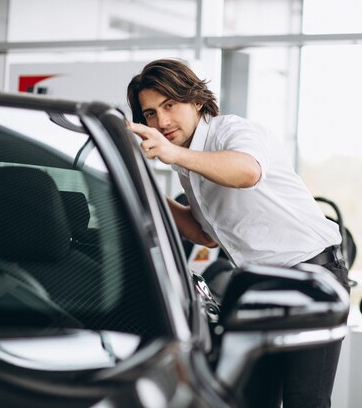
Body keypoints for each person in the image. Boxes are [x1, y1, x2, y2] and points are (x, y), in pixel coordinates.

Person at [126, 58, 349, 408]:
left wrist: (174, 154)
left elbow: (247, 172)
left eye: (169, 105)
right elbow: (206, 235)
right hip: (258, 284)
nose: (161, 121)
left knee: (304, 401)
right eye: (150, 113)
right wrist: (143, 189)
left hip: (310, 274)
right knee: (252, 399)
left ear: (196, 100)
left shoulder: (231, 131)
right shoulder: (189, 159)